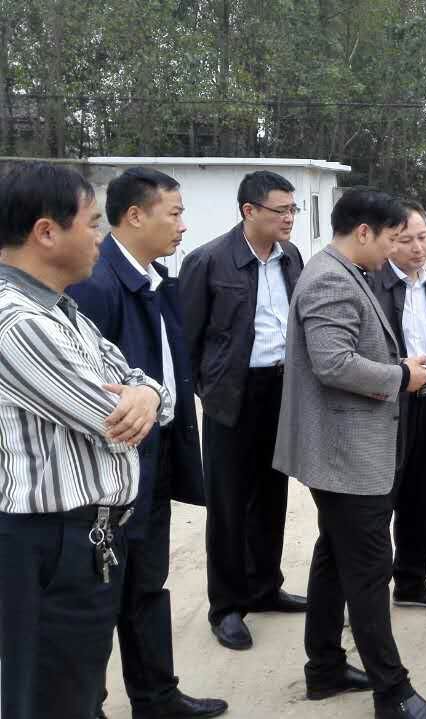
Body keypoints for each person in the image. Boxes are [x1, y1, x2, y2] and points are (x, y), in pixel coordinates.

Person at [0, 161, 173, 718]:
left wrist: (145, 393)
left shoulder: (64, 311)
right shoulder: (18, 321)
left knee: (73, 688)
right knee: (51, 697)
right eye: (93, 223)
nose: (100, 237)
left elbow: (154, 392)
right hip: (48, 545)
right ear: (46, 232)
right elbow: (113, 422)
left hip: (84, 541)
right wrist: (141, 397)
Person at [273, 188, 426, 719]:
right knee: (371, 572)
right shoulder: (331, 278)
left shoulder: (345, 271)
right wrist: (400, 376)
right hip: (346, 454)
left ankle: (325, 667)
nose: (396, 249)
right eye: (393, 239)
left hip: (346, 452)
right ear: (364, 232)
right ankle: (393, 694)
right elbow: (333, 363)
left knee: (334, 556)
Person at [68, 168, 228, 718]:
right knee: (101, 596)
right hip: (112, 470)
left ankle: (157, 697)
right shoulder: (97, 285)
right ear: (135, 216)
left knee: (147, 585)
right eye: (175, 213)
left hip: (152, 458)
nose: (183, 226)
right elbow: (87, 391)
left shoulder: (156, 278)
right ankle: (88, 705)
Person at [179, 171, 308, 651]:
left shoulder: (291, 257)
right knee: (229, 503)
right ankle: (227, 606)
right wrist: (209, 389)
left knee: (272, 494)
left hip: (281, 388)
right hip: (232, 395)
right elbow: (188, 340)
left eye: (293, 209)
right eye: (281, 210)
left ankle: (265, 586)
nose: (289, 218)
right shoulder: (208, 261)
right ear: (249, 211)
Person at [370, 199, 426, 610]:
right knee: (380, 500)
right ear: (388, 240)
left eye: (423, 237)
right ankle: (366, 592)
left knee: (421, 497)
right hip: (389, 403)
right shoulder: (373, 283)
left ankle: (411, 581)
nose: (417, 247)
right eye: (406, 240)